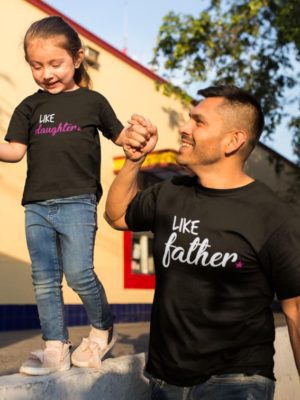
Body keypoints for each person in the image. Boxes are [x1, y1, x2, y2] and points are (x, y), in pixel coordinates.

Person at [105, 86, 300, 399]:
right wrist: (133, 160)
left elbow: (296, 312)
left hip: (236, 383)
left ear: (233, 141)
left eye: (198, 121)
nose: (184, 127)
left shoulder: (272, 216)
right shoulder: (170, 193)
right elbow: (116, 216)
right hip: (164, 382)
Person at [0, 15, 144, 376]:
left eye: (55, 64)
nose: (46, 73)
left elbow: (121, 137)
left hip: (77, 202)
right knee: (45, 279)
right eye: (36, 66)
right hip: (36, 206)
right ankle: (55, 346)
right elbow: (14, 151)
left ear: (77, 59)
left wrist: (136, 136)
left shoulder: (93, 102)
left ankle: (103, 327)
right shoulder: (29, 108)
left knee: (79, 274)